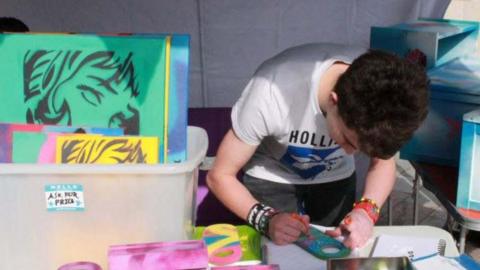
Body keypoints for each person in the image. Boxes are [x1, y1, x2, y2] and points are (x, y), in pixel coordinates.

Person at [206, 43, 429, 248]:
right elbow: (220, 175)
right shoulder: (270, 91)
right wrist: (267, 220)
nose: (350, 151)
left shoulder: (386, 94)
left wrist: (366, 212)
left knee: (338, 248)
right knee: (279, 249)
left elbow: (382, 163)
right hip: (272, 173)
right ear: (334, 101)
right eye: (348, 140)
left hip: (335, 177)